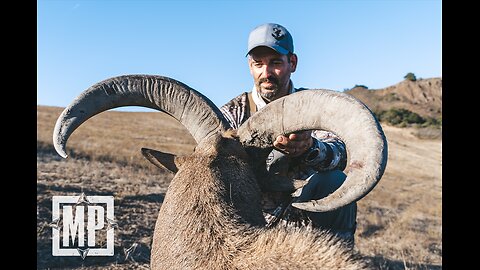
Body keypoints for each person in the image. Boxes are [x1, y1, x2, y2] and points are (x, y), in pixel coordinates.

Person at [220, 23, 357, 246]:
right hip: (251, 219)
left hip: (306, 211)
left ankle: (337, 255)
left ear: (292, 63)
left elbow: (341, 155)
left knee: (335, 181)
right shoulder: (232, 114)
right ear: (249, 66)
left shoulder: (314, 106)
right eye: (258, 64)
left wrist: (311, 148)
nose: (266, 73)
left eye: (275, 63)